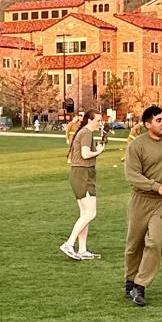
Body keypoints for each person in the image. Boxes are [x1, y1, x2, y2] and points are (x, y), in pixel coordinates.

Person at [122, 105, 162, 307]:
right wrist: (156, 186)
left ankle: (140, 286)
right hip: (141, 199)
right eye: (158, 120)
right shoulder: (136, 146)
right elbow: (132, 176)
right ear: (147, 124)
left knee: (155, 243)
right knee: (134, 245)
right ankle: (130, 281)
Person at [62, 108, 108, 260]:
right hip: (82, 174)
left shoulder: (83, 132)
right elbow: (85, 154)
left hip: (81, 173)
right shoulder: (86, 133)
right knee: (91, 213)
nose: (99, 124)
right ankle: (69, 244)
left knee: (85, 214)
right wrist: (99, 151)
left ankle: (82, 250)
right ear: (89, 120)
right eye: (97, 121)